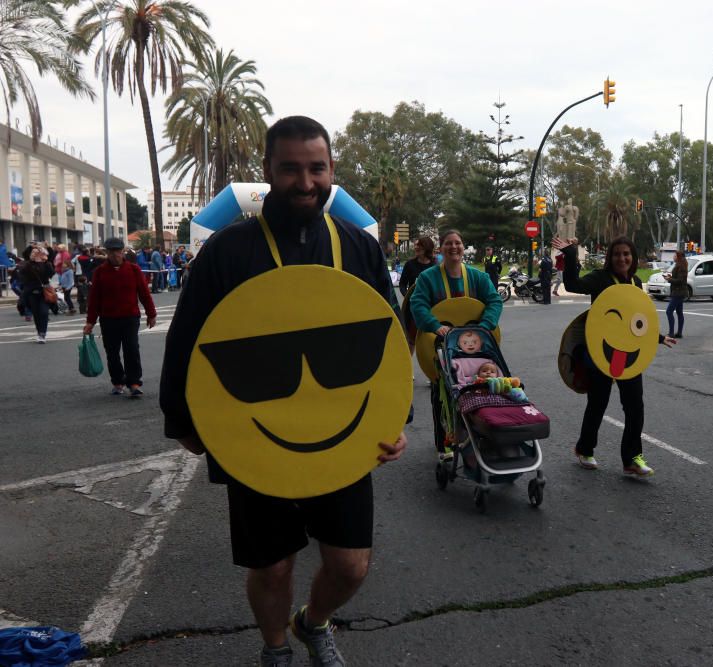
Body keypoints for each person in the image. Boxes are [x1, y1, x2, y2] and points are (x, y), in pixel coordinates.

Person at [159, 116, 406, 667]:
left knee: (350, 565)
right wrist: (184, 422)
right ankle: (276, 650)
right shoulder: (228, 251)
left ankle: (312, 624)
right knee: (271, 566)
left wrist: (394, 420)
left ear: (331, 171)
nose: (305, 181)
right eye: (290, 168)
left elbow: (388, 342)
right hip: (254, 435)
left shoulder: (359, 251)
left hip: (342, 433)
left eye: (316, 168)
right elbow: (188, 340)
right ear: (268, 171)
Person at [552, 235, 675, 477]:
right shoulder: (600, 279)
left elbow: (636, 321)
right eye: (617, 254)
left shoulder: (636, 284)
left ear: (633, 257)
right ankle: (584, 448)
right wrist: (570, 254)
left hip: (629, 355)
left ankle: (631, 458)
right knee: (598, 404)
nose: (622, 258)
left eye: (626, 254)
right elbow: (574, 285)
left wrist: (658, 337)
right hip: (602, 353)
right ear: (611, 257)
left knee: (634, 407)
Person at [409, 229, 503, 460]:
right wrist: (435, 325)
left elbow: (494, 300)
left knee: (477, 389)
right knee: (442, 394)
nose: (454, 247)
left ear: (463, 247)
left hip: (475, 346)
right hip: (441, 347)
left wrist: (485, 324)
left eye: (458, 243)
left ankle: (475, 436)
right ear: (441, 249)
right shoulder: (428, 278)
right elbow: (417, 304)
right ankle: (445, 446)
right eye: (448, 243)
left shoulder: (477, 277)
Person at [84, 238, 156, 396]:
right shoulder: (100, 272)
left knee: (132, 349)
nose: (115, 255)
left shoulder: (134, 270)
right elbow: (94, 299)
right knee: (112, 352)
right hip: (108, 318)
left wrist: (151, 314)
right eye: (111, 252)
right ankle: (117, 381)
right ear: (106, 253)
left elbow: (144, 293)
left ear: (123, 252)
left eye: (118, 251)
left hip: (130, 317)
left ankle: (134, 382)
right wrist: (90, 322)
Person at [17, 247, 54, 342]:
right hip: (31, 293)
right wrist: (31, 259)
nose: (36, 254)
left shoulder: (46, 264)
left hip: (43, 292)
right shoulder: (27, 265)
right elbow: (22, 274)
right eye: (34, 252)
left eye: (38, 253)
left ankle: (42, 333)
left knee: (44, 312)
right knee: (36, 314)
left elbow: (51, 274)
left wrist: (45, 261)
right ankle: (40, 333)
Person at [665, 249, 688, 338]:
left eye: (675, 255)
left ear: (678, 257)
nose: (673, 257)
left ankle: (671, 333)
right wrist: (671, 277)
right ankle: (679, 333)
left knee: (669, 311)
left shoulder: (681, 266)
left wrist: (669, 279)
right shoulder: (679, 265)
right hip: (679, 291)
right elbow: (678, 278)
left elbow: (680, 280)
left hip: (678, 292)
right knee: (679, 312)